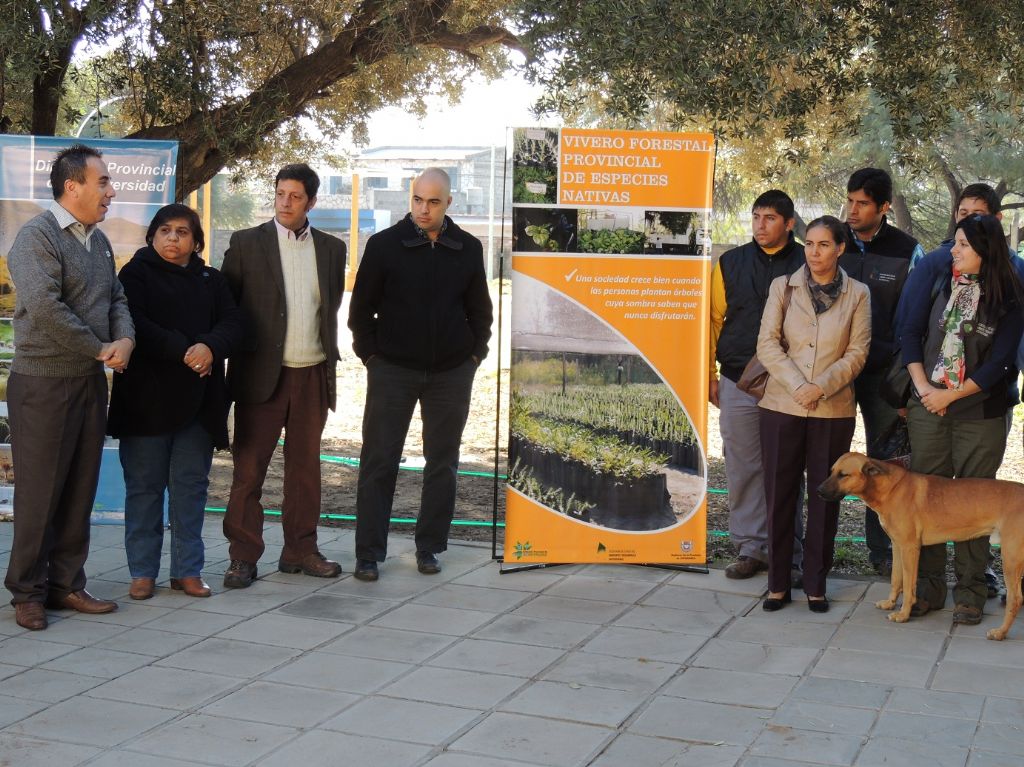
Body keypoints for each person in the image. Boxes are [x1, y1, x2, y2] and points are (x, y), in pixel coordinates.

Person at [4, 143, 135, 631]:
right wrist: (99, 349)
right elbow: (44, 307)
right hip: (43, 383)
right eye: (103, 182)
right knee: (40, 492)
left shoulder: (97, 242)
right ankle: (27, 592)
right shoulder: (36, 237)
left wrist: (125, 339)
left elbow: (116, 297)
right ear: (71, 186)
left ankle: (66, 584)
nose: (111, 192)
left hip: (88, 383)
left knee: (81, 487)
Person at [348, 167, 492, 580]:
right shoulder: (383, 246)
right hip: (392, 371)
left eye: (433, 202)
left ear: (449, 203)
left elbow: (480, 311)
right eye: (417, 200)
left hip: (452, 373)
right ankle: (368, 553)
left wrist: (473, 356)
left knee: (443, 463)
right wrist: (372, 358)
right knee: (379, 460)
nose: (423, 209)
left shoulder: (468, 248)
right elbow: (360, 312)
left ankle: (429, 548)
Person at [107, 204, 243, 600]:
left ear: (196, 241)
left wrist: (210, 346)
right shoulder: (134, 275)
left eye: (182, 232)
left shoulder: (212, 281)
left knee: (190, 489)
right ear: (152, 235)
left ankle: (188, 570)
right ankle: (142, 572)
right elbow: (134, 323)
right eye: (165, 230)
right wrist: (185, 350)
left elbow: (234, 323)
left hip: (197, 405)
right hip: (145, 403)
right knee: (144, 488)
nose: (172, 238)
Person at [221, 163, 346, 588]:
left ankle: (300, 550)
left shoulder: (332, 249)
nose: (285, 203)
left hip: (313, 375)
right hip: (260, 376)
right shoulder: (245, 243)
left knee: (305, 471)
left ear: (312, 202)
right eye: (280, 194)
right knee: (248, 471)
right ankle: (242, 556)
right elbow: (227, 309)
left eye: (295, 196)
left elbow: (329, 310)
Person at [897, 183, 1024, 599]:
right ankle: (927, 590)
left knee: (975, 503)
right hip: (928, 407)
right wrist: (923, 389)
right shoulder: (938, 278)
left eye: (963, 245)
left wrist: (950, 395)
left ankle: (970, 593)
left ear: (985, 249)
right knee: (927, 500)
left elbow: (1000, 364)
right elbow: (909, 333)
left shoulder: (1010, 294)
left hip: (980, 414)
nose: (953, 250)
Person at [756, 215, 870, 613]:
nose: (814, 252)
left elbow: (858, 352)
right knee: (779, 493)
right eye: (809, 244)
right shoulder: (782, 287)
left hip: (832, 408)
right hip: (781, 405)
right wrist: (797, 386)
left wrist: (819, 387)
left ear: (840, 249)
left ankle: (816, 585)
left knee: (826, 496)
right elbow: (767, 344)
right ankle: (777, 584)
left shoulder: (858, 294)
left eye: (823, 245)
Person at [709, 190, 806, 582]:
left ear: (789, 223)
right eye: (756, 217)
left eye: (770, 218)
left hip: (791, 382)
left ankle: (790, 554)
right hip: (737, 379)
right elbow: (714, 321)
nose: (760, 226)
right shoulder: (730, 262)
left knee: (788, 467)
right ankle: (751, 548)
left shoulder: (808, 261)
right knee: (743, 466)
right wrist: (710, 376)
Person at [840, 168, 923, 577]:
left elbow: (916, 318)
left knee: (885, 465)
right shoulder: (833, 240)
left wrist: (902, 382)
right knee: (827, 461)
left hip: (884, 379)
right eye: (849, 201)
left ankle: (883, 551)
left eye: (863, 204)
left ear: (884, 207)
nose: (852, 211)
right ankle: (815, 552)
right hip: (834, 375)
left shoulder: (908, 251)